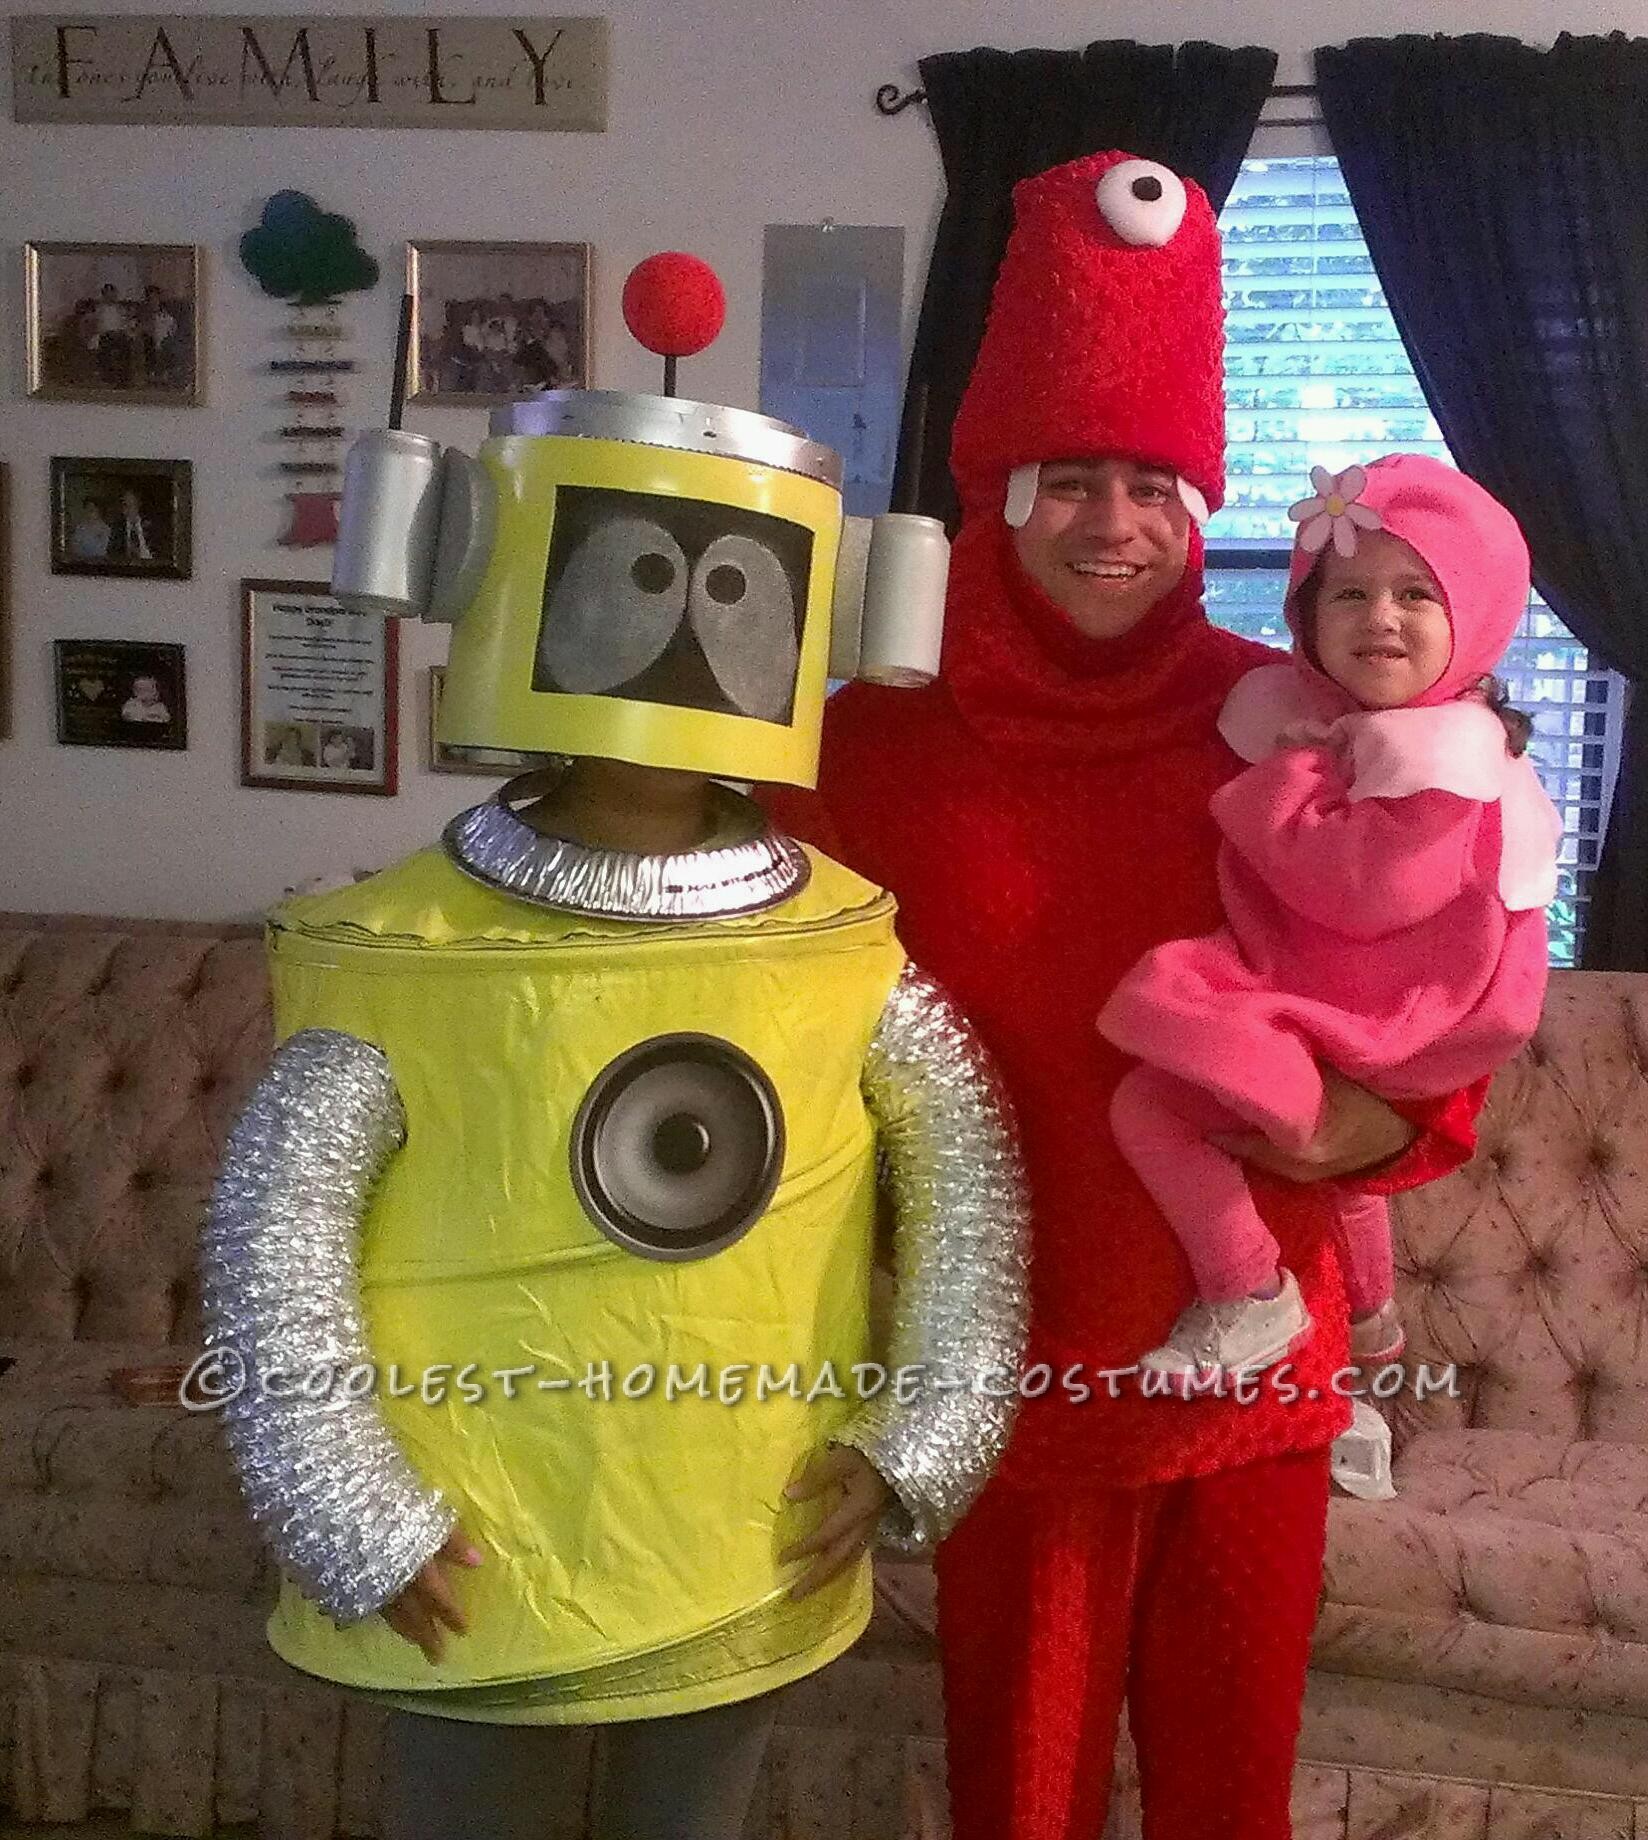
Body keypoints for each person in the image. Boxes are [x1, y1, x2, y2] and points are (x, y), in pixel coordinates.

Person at [761, 151, 1487, 1840]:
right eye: (1068, 476)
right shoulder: (866, 736)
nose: (1115, 522)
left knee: (1228, 1792)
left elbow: (1440, 977)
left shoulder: (1290, 718)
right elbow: (751, 1014)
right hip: (1000, 1377)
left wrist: (1361, 1124)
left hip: (1252, 1368)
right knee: (1020, 1798)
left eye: (1154, 481)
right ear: (994, 491)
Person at [203, 365, 1026, 1840]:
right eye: (633, 573)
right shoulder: (410, 953)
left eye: (730, 586)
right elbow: (284, 1228)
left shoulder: (837, 949)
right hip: (477, 1540)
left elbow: (966, 1181)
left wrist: (922, 1442)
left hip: (737, 1519)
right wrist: (346, 1498)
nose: (687, 636)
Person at [1097, 455, 1558, 1392]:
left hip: (1389, 1015)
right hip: (1375, 1016)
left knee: (1152, 1099)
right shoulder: (1347, 724)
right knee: (1339, 1170)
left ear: (1475, 623)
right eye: (1347, 592)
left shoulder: (1439, 754)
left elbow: (1358, 887)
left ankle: (1246, 1290)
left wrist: (1289, 782)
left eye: (1417, 594)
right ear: (1305, 619)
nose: (1379, 617)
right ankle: (1373, 1326)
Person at [108, 488, 155, 563]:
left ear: (138, 504)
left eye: (131, 505)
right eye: (125, 505)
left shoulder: (151, 525)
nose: (128, 509)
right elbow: (112, 554)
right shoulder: (117, 528)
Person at [68, 496, 111, 561]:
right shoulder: (80, 527)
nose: (89, 512)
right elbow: (75, 546)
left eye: (92, 510)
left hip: (99, 562)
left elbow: (102, 549)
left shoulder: (105, 529)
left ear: (98, 510)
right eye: (87, 509)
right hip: (81, 561)